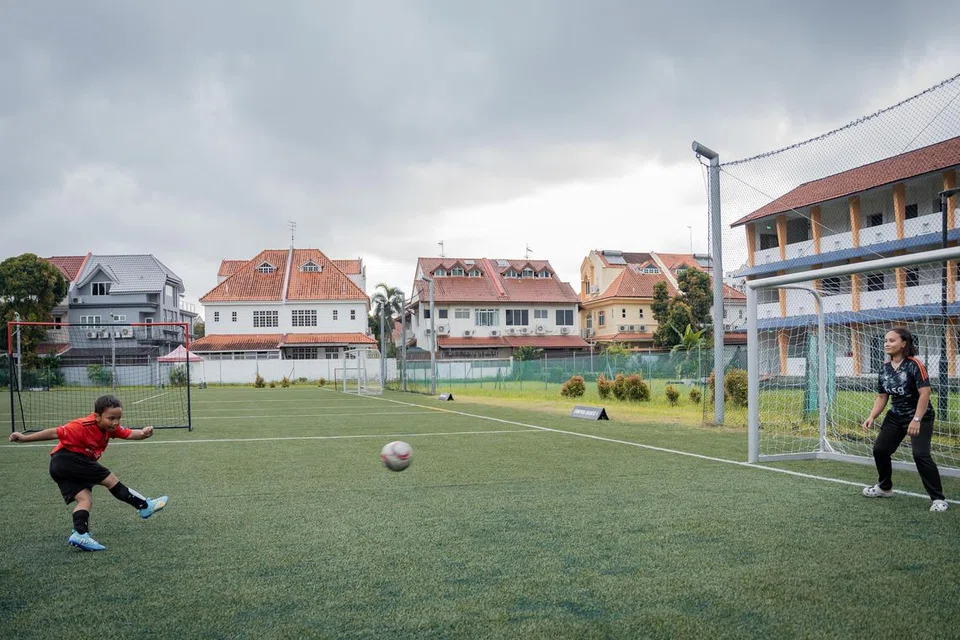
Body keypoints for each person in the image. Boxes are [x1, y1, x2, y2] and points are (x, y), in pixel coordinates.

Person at [8, 394, 169, 550]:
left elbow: (130, 434)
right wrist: (24, 438)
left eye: (118, 418)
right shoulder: (82, 425)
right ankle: (144, 506)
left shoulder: (110, 428)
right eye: (111, 418)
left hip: (60, 467)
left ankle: (80, 534)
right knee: (110, 480)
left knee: (85, 499)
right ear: (97, 416)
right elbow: (54, 432)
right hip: (69, 459)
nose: (115, 422)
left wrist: (144, 433)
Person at [861, 327, 948, 512]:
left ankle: (938, 499)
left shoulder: (915, 365)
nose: (887, 343)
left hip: (920, 416)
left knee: (920, 455)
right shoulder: (884, 369)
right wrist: (871, 416)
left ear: (904, 343)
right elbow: (882, 396)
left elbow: (925, 394)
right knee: (880, 450)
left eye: (892, 340)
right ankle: (885, 488)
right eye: (885, 340)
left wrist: (916, 419)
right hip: (896, 416)